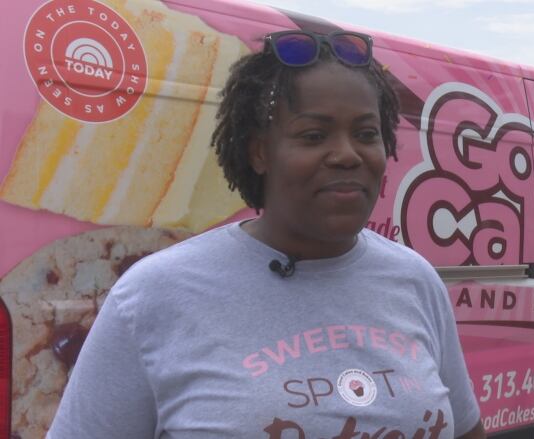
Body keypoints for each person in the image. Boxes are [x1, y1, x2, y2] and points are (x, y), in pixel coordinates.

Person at [47, 29, 484, 438]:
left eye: (366, 134)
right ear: (259, 151)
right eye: (314, 135)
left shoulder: (414, 279)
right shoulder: (154, 295)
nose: (347, 155)